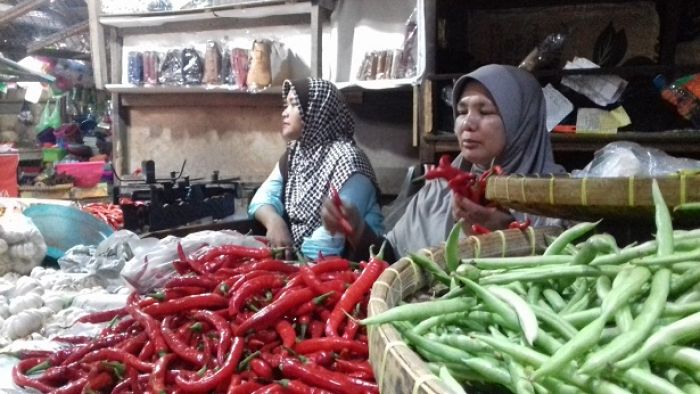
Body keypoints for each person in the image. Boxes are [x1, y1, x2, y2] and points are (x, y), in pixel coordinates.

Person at [322, 64, 565, 262]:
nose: (468, 123)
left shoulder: (560, 200)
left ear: (521, 122)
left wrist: (507, 233)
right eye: (461, 111)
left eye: (485, 111)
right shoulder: (440, 190)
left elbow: (560, 278)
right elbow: (391, 261)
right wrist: (357, 228)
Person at [248, 78, 384, 260]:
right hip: (306, 262)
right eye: (285, 105)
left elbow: (330, 240)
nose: (284, 113)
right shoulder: (295, 155)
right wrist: (274, 221)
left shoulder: (349, 160)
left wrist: (292, 265)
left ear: (318, 111)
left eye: (293, 105)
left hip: (354, 267)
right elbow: (262, 198)